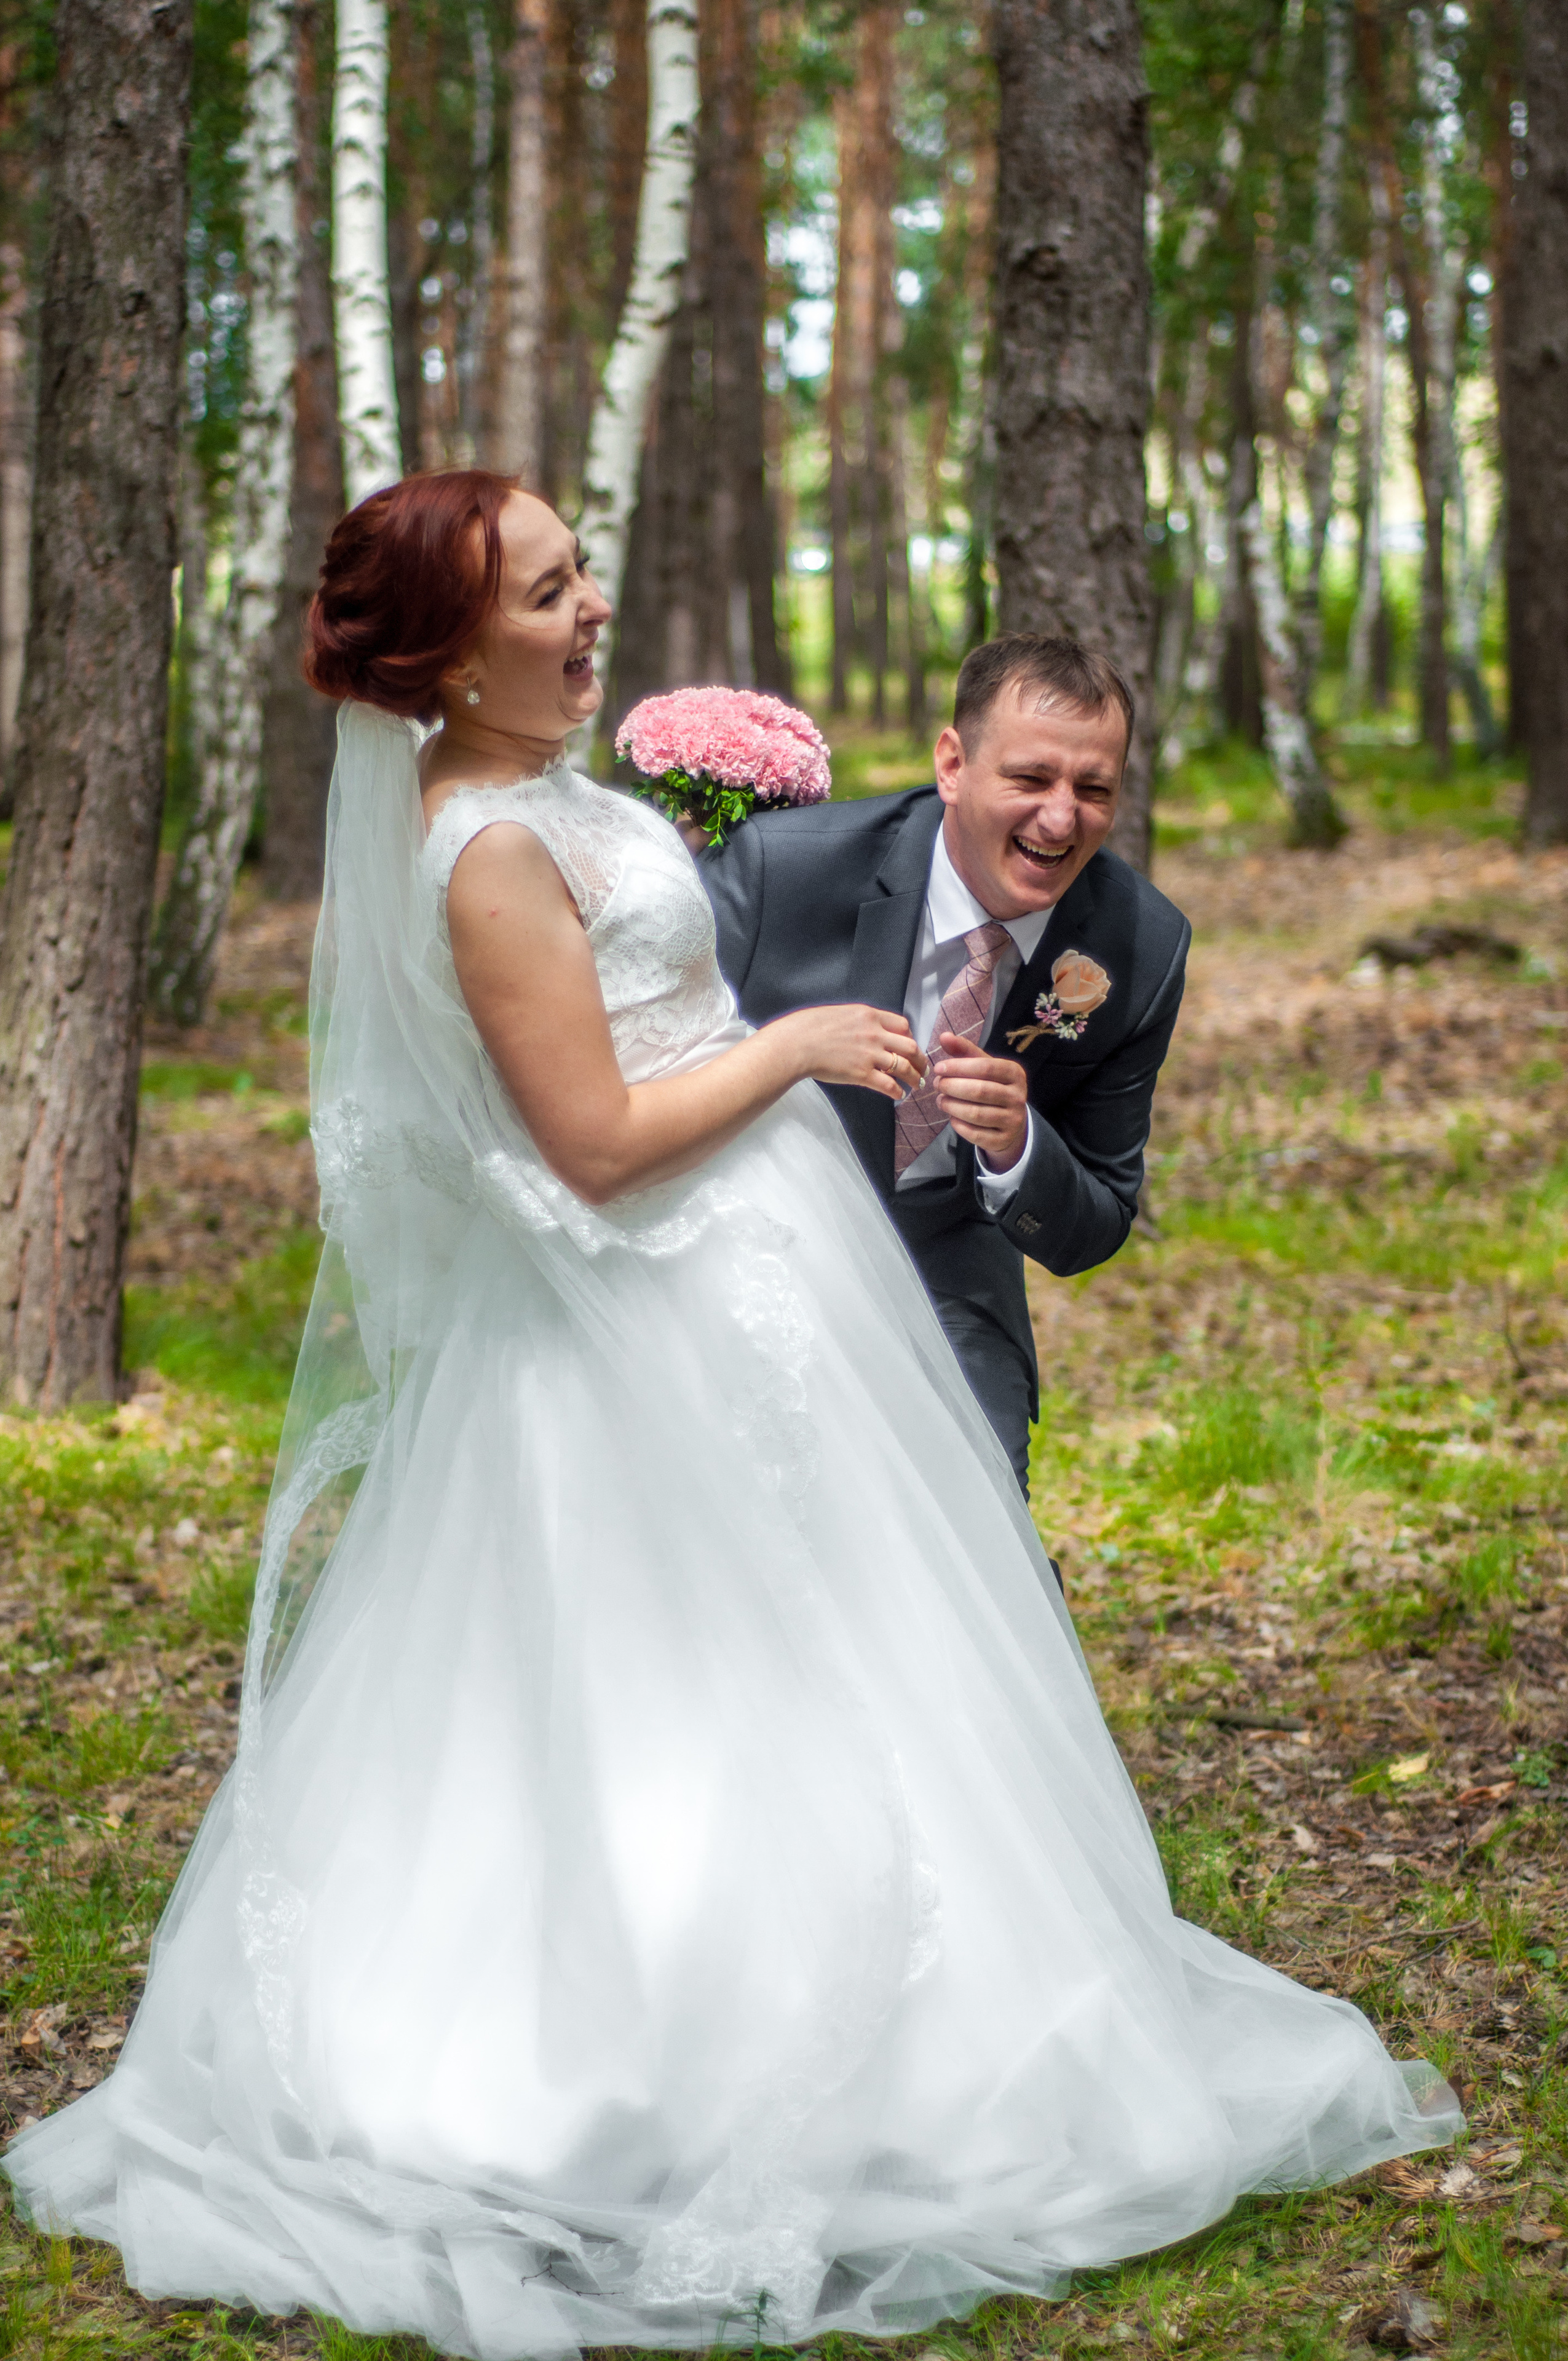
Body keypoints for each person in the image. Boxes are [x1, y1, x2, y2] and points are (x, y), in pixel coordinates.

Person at [4, 473, 1459, 2361]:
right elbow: (593, 1143)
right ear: (450, 652)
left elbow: (712, 1018)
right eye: (548, 589)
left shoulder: (566, 802)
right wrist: (788, 1045)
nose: (591, 604)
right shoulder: (482, 854)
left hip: (777, 1285)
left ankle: (939, 2007)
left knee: (858, 1664)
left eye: (579, 567)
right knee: (661, 1693)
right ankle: (660, 2066)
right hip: (644, 1315)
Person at [700, 636, 1188, 1496]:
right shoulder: (786, 869)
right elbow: (636, 1068)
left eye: (1094, 789)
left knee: (979, 1523)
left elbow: (1099, 1220)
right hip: (742, 1244)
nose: (1061, 818)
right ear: (952, 764)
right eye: (1031, 780)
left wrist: (1017, 1147)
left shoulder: (1139, 947)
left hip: (943, 1265)